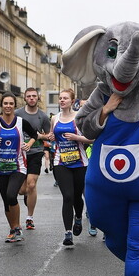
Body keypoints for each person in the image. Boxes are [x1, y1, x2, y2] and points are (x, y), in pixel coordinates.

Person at [0, 92, 37, 243]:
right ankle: (13, 229)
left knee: (12, 195)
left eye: (11, 104)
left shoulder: (21, 122)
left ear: (14, 105)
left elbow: (34, 135)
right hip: (1, 168)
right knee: (6, 200)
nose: (8, 106)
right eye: (5, 103)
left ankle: (18, 227)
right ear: (1, 106)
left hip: (18, 167)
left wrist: (29, 144)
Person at [47, 89, 92, 246]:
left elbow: (91, 139)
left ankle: (78, 217)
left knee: (77, 196)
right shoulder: (55, 118)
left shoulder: (79, 118)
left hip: (80, 162)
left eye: (65, 98)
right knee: (67, 196)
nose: (62, 100)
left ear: (72, 101)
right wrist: (51, 137)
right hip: (61, 162)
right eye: (60, 98)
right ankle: (68, 233)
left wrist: (76, 137)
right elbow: (51, 136)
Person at [15, 87, 51, 230]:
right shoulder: (17, 114)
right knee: (21, 190)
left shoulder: (43, 116)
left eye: (34, 96)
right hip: (19, 154)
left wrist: (38, 135)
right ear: (25, 98)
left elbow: (49, 135)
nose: (31, 98)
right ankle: (26, 195)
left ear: (38, 98)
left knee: (31, 185)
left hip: (36, 151)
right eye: (28, 96)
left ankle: (29, 218)